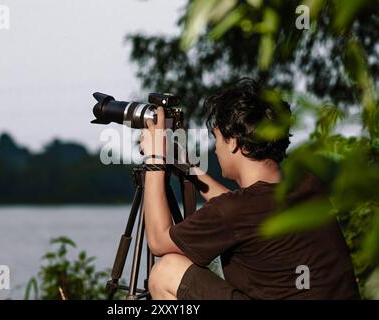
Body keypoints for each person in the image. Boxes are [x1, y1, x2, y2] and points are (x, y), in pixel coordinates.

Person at [139, 78, 360, 300]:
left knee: (166, 272)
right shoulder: (308, 185)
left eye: (216, 139)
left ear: (233, 142)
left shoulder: (236, 211)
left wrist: (155, 159)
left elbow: (158, 241)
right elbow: (246, 213)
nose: (215, 149)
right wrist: (186, 167)